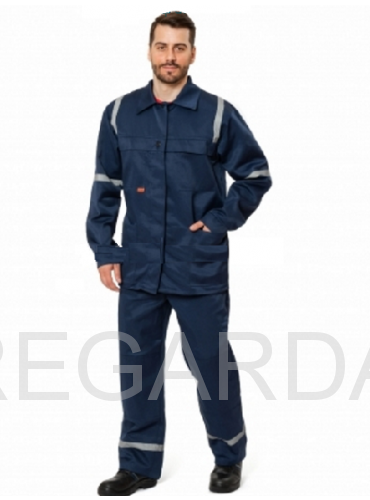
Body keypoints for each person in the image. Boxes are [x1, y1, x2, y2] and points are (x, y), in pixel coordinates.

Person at [86, 12, 272, 496]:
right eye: (162, 46)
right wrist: (105, 249)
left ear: (192, 53)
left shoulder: (216, 113)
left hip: (197, 264)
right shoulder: (119, 113)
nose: (170, 57)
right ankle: (138, 466)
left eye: (179, 47)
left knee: (211, 365)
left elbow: (255, 175)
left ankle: (229, 457)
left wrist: (218, 220)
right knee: (137, 366)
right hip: (139, 265)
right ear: (149, 50)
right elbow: (106, 186)